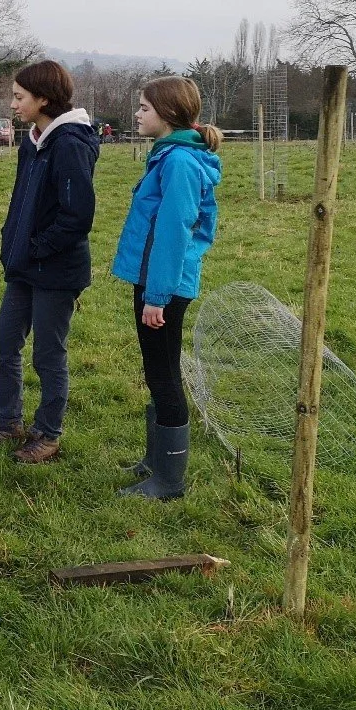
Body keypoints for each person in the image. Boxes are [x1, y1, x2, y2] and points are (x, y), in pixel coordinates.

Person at [0, 61, 99, 464]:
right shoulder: (34, 141)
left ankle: (48, 433)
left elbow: (78, 216)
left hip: (55, 269)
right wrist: (14, 245)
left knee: (47, 354)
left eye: (19, 97)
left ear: (43, 99)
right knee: (4, 345)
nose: (12, 104)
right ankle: (7, 422)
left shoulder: (70, 144)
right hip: (24, 265)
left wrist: (37, 247)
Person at [111, 76, 222, 501]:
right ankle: (156, 461)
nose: (137, 114)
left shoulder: (178, 162)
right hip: (157, 280)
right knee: (158, 370)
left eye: (143, 107)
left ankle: (169, 481)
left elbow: (173, 231)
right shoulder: (169, 155)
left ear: (169, 113)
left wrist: (156, 296)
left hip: (165, 286)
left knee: (163, 374)